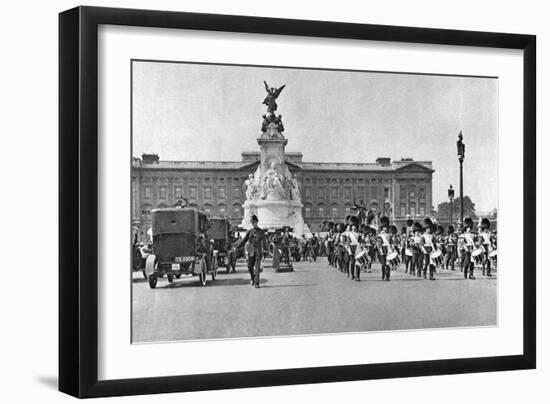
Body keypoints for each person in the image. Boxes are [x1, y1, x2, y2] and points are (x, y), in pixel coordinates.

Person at [237, 215, 266, 288]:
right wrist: (237, 247)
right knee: (249, 267)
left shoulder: (261, 232)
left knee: (257, 268)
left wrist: (266, 251)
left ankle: (257, 283)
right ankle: (253, 278)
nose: (254, 224)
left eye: (255, 222)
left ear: (257, 222)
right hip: (251, 252)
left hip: (258, 252)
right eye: (253, 223)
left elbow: (265, 243)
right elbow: (244, 240)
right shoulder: (250, 232)